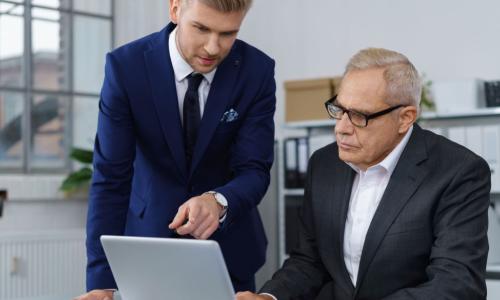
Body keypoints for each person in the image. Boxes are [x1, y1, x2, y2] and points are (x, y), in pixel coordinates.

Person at [237, 48, 490, 300]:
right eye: (339, 110)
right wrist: (269, 297)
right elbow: (309, 260)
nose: (341, 129)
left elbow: (456, 284)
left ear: (405, 118)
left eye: (359, 116)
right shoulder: (324, 164)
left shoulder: (458, 171)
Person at [76, 0, 276, 299]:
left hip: (230, 252)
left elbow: (254, 170)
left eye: (228, 33)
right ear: (175, 9)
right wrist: (100, 282)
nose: (212, 48)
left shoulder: (256, 71)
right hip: (148, 248)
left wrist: (218, 200)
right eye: (201, 28)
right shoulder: (126, 68)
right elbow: (110, 178)